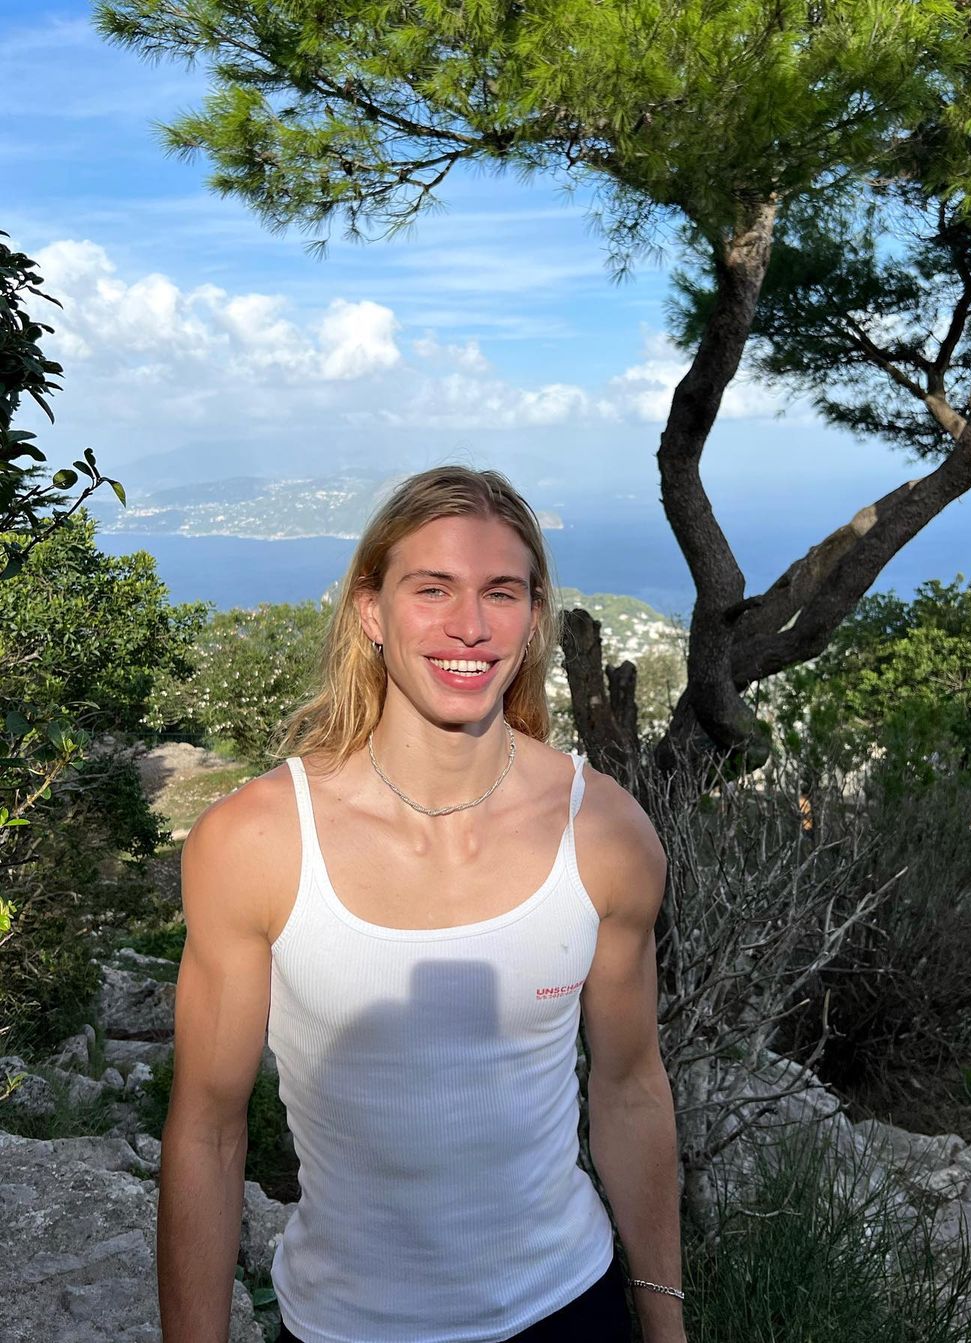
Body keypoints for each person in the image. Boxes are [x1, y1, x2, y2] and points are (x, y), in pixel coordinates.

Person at [158, 466, 686, 1343]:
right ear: (371, 610)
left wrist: (665, 1328)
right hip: (346, 1326)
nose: (469, 625)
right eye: (432, 588)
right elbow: (207, 1133)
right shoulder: (255, 843)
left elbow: (630, 1089)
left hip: (569, 1307)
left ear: (533, 617)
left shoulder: (604, 833)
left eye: (501, 592)